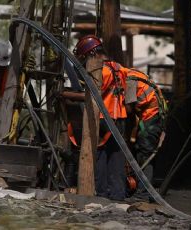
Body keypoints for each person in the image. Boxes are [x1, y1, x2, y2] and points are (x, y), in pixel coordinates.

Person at [62, 35, 128, 200]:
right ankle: (117, 194)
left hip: (106, 119)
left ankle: (101, 194)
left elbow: (91, 94)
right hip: (120, 118)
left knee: (98, 155)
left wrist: (63, 94)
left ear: (91, 55)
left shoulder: (101, 71)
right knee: (116, 158)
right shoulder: (118, 68)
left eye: (84, 59)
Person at [124, 68, 167, 198]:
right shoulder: (134, 74)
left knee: (145, 154)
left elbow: (128, 108)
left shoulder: (129, 80)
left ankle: (143, 193)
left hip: (151, 118)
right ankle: (142, 189)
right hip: (153, 117)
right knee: (143, 152)